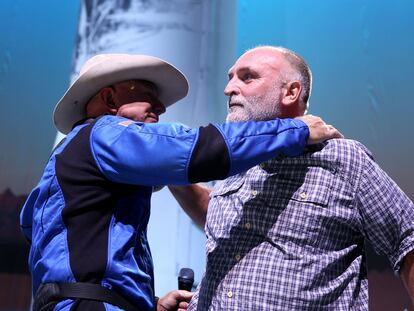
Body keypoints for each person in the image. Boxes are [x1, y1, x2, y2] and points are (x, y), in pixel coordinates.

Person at [19, 53, 341, 311]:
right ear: (110, 98)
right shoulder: (105, 133)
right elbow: (198, 150)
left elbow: (74, 256)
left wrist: (146, 302)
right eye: (148, 94)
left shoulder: (68, 160)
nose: (160, 107)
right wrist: (295, 131)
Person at [169, 46, 414, 310]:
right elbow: (215, 214)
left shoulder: (341, 157)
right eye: (230, 78)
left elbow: (406, 238)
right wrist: (171, 170)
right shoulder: (234, 160)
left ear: (291, 92)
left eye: (247, 77)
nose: (229, 89)